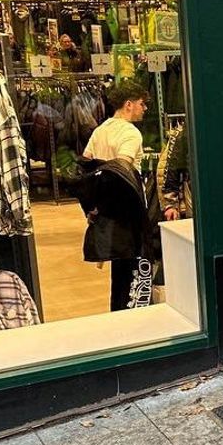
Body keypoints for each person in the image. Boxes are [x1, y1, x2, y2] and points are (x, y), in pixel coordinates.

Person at [81, 81, 155, 311]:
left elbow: (86, 165)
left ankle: (119, 313)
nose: (145, 109)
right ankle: (134, 316)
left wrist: (95, 205)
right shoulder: (130, 133)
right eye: (142, 104)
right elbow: (122, 169)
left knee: (119, 271)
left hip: (105, 209)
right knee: (137, 267)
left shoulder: (100, 130)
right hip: (128, 209)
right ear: (129, 105)